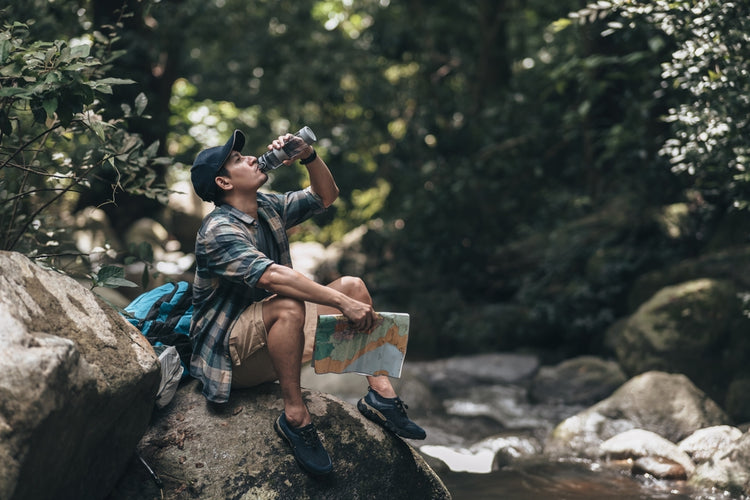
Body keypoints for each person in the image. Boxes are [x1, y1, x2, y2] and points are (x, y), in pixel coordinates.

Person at [188, 129, 426, 475]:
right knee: (290, 302)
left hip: (277, 342)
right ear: (224, 183)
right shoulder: (218, 230)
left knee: (353, 286)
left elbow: (325, 196)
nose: (252, 158)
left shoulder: (266, 207)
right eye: (238, 160)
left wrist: (309, 157)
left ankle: (381, 397)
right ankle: (295, 417)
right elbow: (272, 277)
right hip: (232, 360)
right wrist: (340, 303)